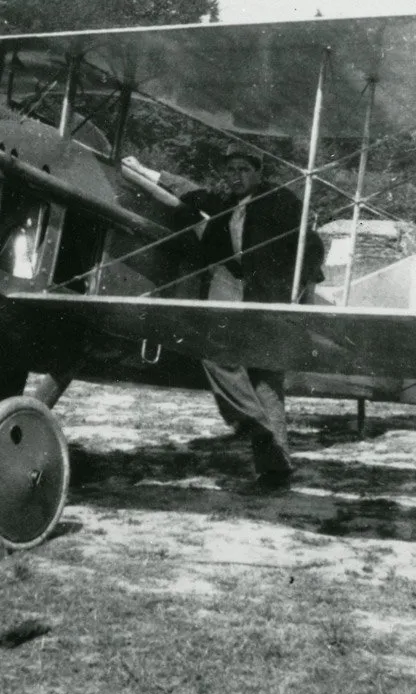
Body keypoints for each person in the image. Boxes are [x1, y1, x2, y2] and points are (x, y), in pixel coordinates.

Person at [125, 148, 326, 490]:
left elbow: (312, 243)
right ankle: (250, 422)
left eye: (243, 169)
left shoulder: (281, 200)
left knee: (265, 380)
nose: (236, 175)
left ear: (258, 172)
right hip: (233, 283)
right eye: (230, 169)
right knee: (215, 350)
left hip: (268, 293)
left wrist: (303, 282)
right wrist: (144, 171)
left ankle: (274, 470)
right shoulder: (225, 201)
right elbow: (189, 190)